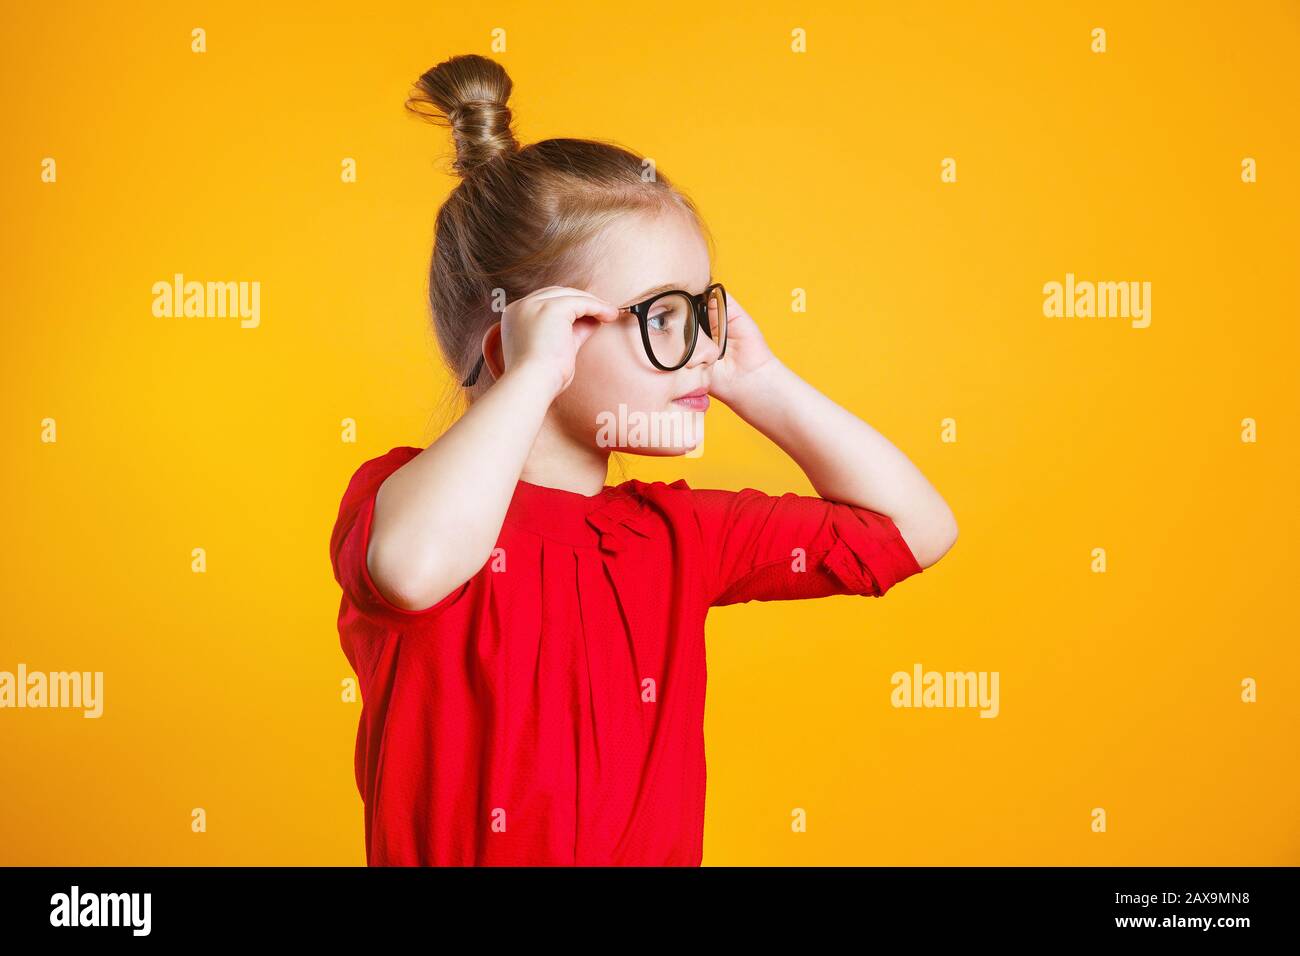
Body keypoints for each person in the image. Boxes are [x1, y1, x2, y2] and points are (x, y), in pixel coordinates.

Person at [329, 53, 958, 866]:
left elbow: (912, 530)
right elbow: (413, 570)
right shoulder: (397, 498)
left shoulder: (673, 533)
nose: (699, 347)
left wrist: (760, 379)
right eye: (663, 315)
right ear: (531, 334)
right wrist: (530, 378)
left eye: (703, 309)